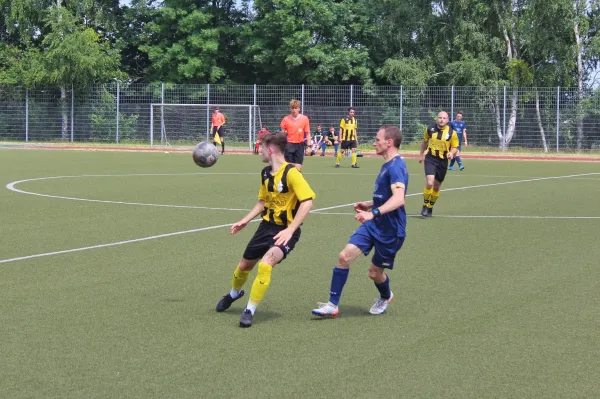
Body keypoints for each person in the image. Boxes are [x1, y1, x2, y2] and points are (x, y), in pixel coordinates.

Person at [216, 132, 316, 328]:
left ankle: (249, 310)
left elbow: (308, 202)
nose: (259, 151)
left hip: (286, 231)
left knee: (265, 264)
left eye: (261, 147)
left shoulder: (292, 173)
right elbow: (263, 201)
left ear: (270, 149)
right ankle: (234, 294)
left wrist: (290, 230)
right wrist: (244, 221)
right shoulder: (265, 173)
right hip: (265, 228)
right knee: (244, 266)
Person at [312, 125, 408, 317]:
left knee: (374, 273)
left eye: (377, 139)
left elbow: (399, 198)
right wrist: (369, 204)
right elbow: (386, 196)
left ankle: (385, 295)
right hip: (375, 224)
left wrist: (373, 213)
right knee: (344, 256)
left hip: (390, 230)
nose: (374, 142)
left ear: (389, 143)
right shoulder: (387, 164)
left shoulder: (397, 166)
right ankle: (332, 305)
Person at [418, 111, 459, 217]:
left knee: (436, 186)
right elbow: (425, 142)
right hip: (430, 158)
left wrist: (451, 153)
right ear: (437, 119)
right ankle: (425, 205)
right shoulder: (430, 129)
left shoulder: (452, 133)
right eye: (440, 117)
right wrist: (421, 155)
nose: (441, 120)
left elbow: (455, 147)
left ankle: (430, 207)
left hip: (443, 161)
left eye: (444, 118)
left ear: (448, 120)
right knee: (430, 183)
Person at [280, 99, 311, 171]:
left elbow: (307, 133)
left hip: (300, 145)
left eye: (296, 108)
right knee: (289, 169)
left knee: (297, 169)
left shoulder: (304, 119)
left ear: (299, 109)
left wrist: (309, 146)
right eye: (292, 108)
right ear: (290, 109)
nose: (294, 110)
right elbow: (282, 134)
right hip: (289, 145)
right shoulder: (286, 119)